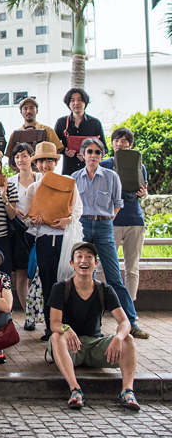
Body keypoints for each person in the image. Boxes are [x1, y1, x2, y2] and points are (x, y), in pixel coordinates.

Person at [47, 241, 140, 411]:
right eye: (79, 257)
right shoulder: (61, 288)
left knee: (128, 339)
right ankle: (75, 390)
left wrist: (118, 337)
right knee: (56, 336)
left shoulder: (105, 289)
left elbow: (125, 322)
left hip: (95, 344)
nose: (84, 260)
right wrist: (66, 329)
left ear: (96, 263)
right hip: (70, 347)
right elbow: (54, 323)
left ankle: (127, 391)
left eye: (89, 257)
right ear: (72, 263)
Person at [71, 138, 149, 339]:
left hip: (105, 225)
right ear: (83, 154)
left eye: (98, 152)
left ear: (102, 155)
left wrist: (105, 220)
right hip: (83, 226)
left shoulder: (112, 176)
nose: (93, 155)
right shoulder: (74, 178)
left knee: (114, 277)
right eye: (90, 152)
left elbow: (117, 203)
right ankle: (90, 324)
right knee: (85, 275)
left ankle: (130, 322)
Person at [24, 141, 83, 341]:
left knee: (67, 282)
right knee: (48, 283)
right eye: (41, 161)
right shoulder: (33, 187)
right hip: (43, 239)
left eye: (49, 160)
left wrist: (67, 220)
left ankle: (70, 327)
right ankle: (51, 328)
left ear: (55, 162)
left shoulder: (68, 183)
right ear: (36, 164)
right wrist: (34, 220)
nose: (45, 165)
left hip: (65, 240)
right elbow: (27, 217)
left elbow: (77, 210)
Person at [101, 127, 148, 302]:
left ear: (131, 145)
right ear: (112, 143)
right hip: (111, 220)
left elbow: (142, 189)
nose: (119, 144)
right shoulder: (104, 165)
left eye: (124, 141)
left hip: (135, 219)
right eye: (116, 141)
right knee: (104, 267)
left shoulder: (139, 165)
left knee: (132, 267)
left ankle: (129, 308)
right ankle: (102, 304)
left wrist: (144, 193)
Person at [7, 142, 40, 323]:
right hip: (20, 232)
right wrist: (14, 209)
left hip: (40, 230)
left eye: (24, 156)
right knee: (21, 273)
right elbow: (7, 205)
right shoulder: (11, 181)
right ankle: (29, 315)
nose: (21, 160)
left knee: (38, 273)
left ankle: (41, 311)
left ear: (31, 157)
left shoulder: (41, 178)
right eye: (17, 156)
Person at [54, 88, 105, 176]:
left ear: (85, 102)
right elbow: (53, 145)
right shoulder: (61, 122)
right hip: (69, 171)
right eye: (72, 100)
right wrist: (64, 151)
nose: (76, 103)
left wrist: (88, 156)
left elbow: (104, 148)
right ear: (68, 104)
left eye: (80, 100)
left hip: (91, 172)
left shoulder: (95, 123)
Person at [3, 97, 63, 168]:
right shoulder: (15, 134)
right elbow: (10, 156)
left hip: (42, 174)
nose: (28, 111)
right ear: (21, 112)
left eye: (31, 108)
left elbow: (57, 151)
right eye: (25, 109)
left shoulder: (48, 131)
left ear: (36, 110)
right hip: (21, 175)